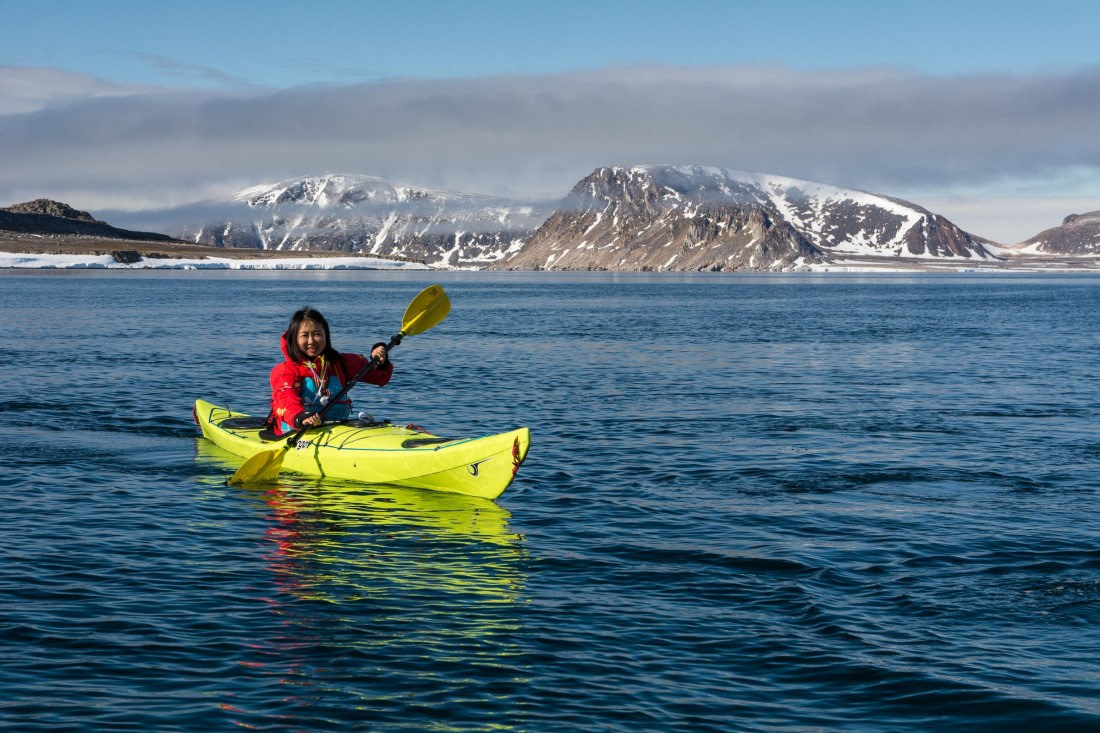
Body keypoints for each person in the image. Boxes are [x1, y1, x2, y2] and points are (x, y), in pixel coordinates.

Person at [269, 306, 392, 437]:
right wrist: (300, 416)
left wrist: (379, 359)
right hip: (295, 435)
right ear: (295, 339)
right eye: (305, 335)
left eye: (317, 334)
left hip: (336, 435)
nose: (311, 341)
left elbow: (380, 377)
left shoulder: (341, 362)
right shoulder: (285, 370)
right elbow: (285, 399)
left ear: (326, 335)